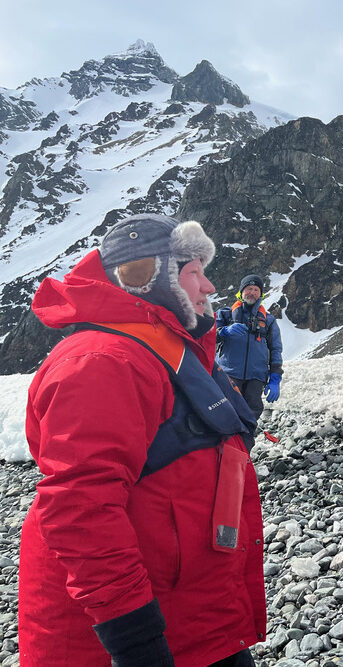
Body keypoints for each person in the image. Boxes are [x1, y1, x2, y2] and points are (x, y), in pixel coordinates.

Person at [19, 214, 265, 667]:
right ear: (148, 278)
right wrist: (136, 641)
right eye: (192, 272)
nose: (208, 287)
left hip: (191, 617)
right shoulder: (103, 362)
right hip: (127, 637)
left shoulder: (159, 348)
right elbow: (81, 510)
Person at [216, 274, 283, 419]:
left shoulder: (269, 320)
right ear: (241, 292)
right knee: (225, 414)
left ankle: (244, 441)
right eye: (248, 288)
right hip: (228, 374)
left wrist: (275, 377)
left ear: (261, 294)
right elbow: (206, 337)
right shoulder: (225, 314)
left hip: (256, 378)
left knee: (250, 417)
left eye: (256, 290)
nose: (252, 292)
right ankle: (223, 442)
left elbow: (275, 349)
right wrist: (224, 331)